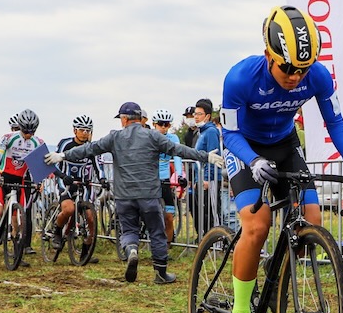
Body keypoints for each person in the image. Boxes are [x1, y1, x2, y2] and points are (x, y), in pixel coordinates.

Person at [219, 5, 343, 313]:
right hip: (245, 147)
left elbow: (334, 121)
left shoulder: (316, 76)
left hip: (285, 144)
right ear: (269, 53)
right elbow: (230, 133)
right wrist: (253, 160)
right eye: (287, 68)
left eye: (302, 69)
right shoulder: (240, 78)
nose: (295, 77)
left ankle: (273, 272)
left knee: (311, 221)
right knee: (257, 225)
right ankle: (241, 312)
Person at [46, 101, 212, 284]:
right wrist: (206, 156)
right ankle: (160, 274)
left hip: (124, 195)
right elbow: (179, 150)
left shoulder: (114, 137)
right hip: (149, 194)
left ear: (124, 119)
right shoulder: (152, 136)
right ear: (140, 119)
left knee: (129, 230)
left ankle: (132, 250)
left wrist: (62, 155)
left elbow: (89, 149)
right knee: (157, 232)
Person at [0, 108, 44, 261]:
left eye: (32, 131)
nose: (29, 134)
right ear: (20, 127)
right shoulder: (8, 138)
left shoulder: (38, 142)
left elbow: (39, 166)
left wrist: (39, 182)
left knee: (18, 219)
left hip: (20, 180)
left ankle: (17, 252)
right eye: (26, 131)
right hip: (3, 178)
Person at [50, 115, 99, 253]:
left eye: (88, 131)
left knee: (90, 217)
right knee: (69, 209)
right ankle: (57, 231)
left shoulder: (91, 147)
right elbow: (54, 165)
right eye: (82, 130)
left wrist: (103, 180)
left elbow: (98, 166)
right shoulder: (65, 144)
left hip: (83, 184)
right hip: (65, 182)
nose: (85, 133)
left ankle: (86, 250)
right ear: (74, 130)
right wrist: (63, 176)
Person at [151, 109, 186, 244]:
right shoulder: (148, 137)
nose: (164, 127)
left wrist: (179, 174)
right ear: (154, 124)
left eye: (167, 124)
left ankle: (166, 248)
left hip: (164, 179)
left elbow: (177, 156)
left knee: (169, 217)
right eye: (161, 124)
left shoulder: (173, 138)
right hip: (150, 179)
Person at [192, 99, 222, 237]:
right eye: (195, 113)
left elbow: (214, 156)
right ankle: (205, 240)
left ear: (207, 116)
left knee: (212, 212)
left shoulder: (210, 131)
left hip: (210, 180)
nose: (195, 117)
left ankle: (219, 241)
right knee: (203, 212)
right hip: (200, 179)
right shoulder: (201, 132)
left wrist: (207, 179)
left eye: (199, 113)